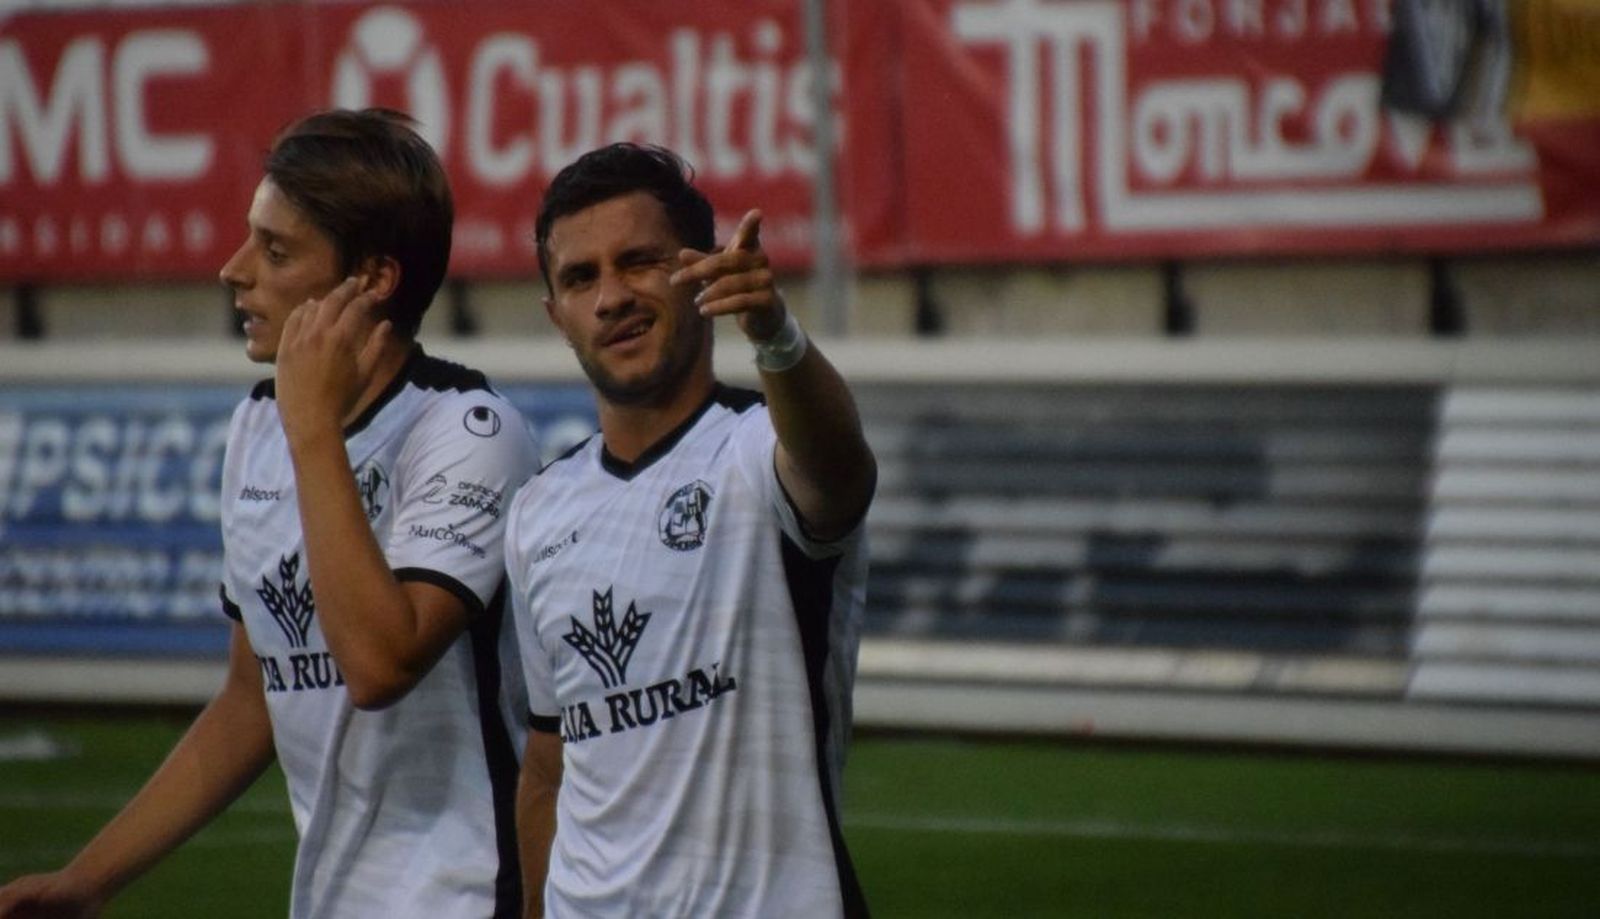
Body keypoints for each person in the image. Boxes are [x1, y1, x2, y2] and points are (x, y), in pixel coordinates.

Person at [0, 109, 537, 918]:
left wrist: (313, 430)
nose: (233, 269)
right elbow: (253, 697)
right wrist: (88, 878)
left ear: (375, 279)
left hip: (465, 897)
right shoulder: (260, 426)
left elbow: (378, 666)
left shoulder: (468, 430)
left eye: (276, 250)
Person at [507, 143, 876, 918]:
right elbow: (548, 764)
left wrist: (776, 332)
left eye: (639, 262)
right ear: (556, 313)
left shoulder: (756, 450)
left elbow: (840, 469)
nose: (611, 297)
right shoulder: (538, 511)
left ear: (700, 271)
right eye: (580, 277)